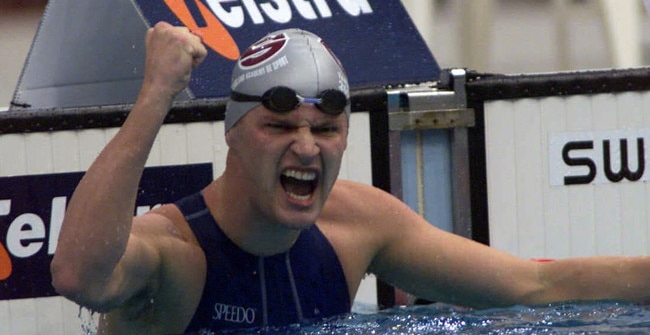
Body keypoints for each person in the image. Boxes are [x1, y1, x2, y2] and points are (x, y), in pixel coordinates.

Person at [51, 21, 650, 334]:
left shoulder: (359, 226)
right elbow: (78, 274)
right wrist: (156, 94)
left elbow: (535, 288)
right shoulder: (173, 254)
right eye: (280, 126)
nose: (307, 148)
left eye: (327, 129)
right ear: (232, 134)